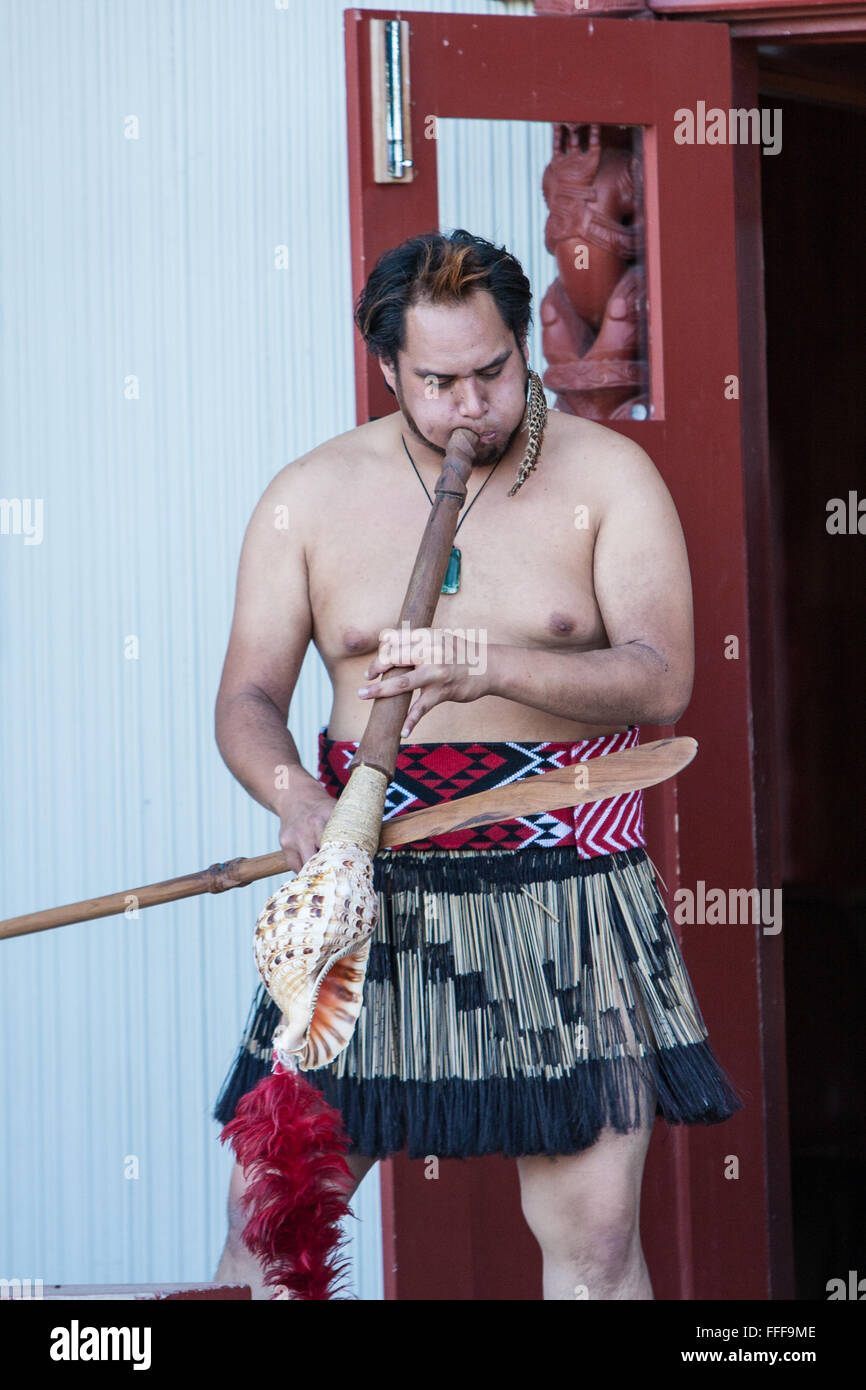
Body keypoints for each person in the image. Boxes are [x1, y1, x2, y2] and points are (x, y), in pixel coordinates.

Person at [211, 229, 742, 1301]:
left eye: (492, 373)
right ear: (388, 370)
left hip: (567, 890)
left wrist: (490, 662)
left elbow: (659, 679)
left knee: (592, 1236)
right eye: (439, 382)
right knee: (271, 1219)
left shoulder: (608, 476)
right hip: (363, 883)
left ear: (521, 351)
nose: (469, 407)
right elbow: (248, 700)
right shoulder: (308, 496)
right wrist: (296, 797)